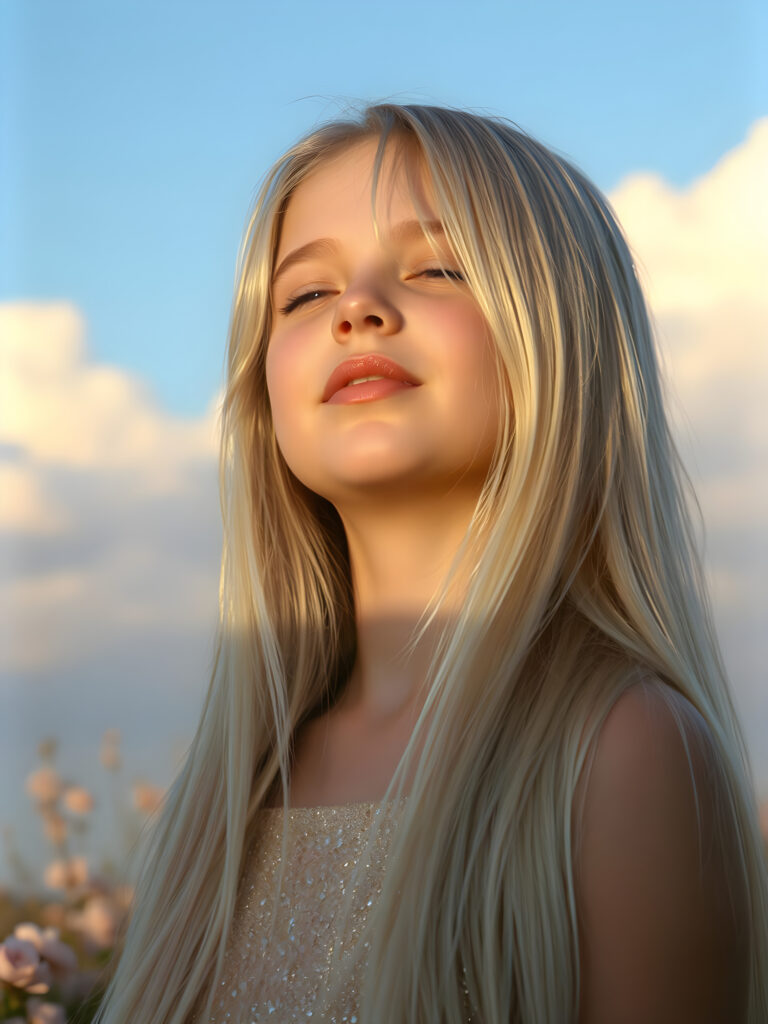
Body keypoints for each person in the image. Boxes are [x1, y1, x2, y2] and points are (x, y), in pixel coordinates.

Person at [94, 103, 768, 1023]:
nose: (357, 309)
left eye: (438, 269)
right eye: (305, 295)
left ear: (565, 336)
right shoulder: (229, 791)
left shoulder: (622, 754)